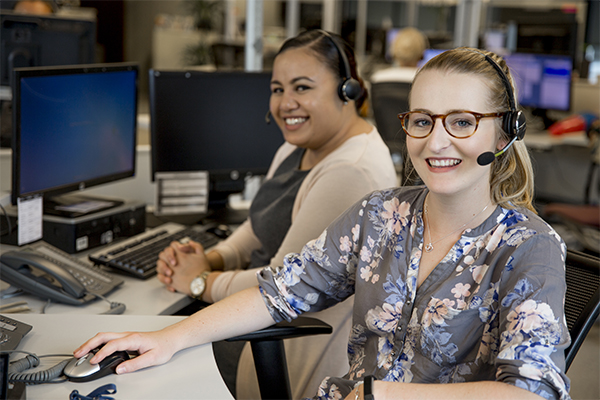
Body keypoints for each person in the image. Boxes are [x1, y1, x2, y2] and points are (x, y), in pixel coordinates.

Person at [75, 47, 571, 400]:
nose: (437, 142)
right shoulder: (380, 215)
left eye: (462, 122)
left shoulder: (529, 246)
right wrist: (169, 337)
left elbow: (534, 391)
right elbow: (278, 292)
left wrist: (382, 395)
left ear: (505, 131)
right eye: (422, 121)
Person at [155, 29, 397, 398]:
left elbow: (284, 284)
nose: (285, 103)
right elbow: (259, 225)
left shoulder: (352, 171)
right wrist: (214, 257)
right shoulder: (298, 146)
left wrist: (201, 282)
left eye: (302, 87)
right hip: (251, 332)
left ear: (347, 90)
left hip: (288, 354)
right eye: (277, 89)